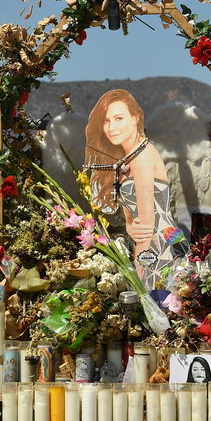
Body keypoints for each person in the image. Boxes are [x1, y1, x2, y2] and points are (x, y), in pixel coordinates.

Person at [84, 89, 188, 287]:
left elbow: (148, 227)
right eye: (106, 121)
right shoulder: (129, 157)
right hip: (153, 245)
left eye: (118, 118)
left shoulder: (142, 157)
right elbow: (134, 216)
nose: (111, 127)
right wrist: (130, 226)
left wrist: (140, 276)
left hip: (160, 249)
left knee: (154, 304)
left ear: (135, 118)